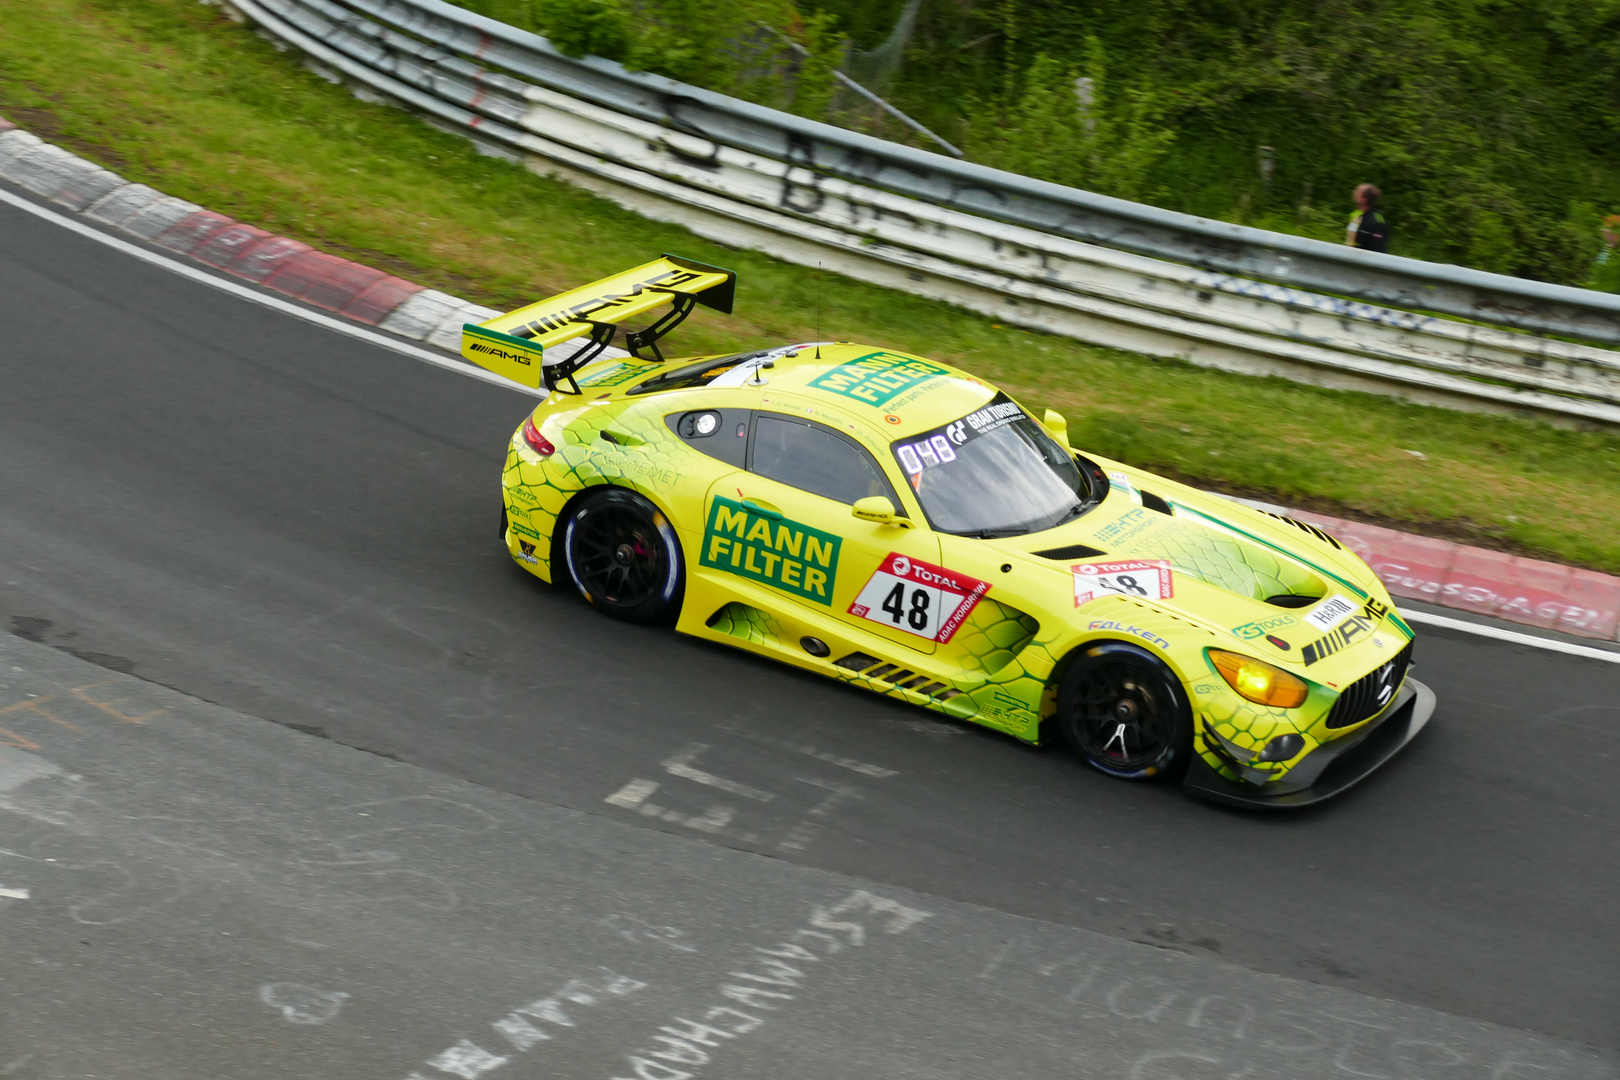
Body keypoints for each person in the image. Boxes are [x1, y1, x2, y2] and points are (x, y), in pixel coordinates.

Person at [1344, 183, 1389, 253]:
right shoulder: (1357, 215)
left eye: (1357, 191)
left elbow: (1377, 250)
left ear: (1364, 199)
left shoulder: (1377, 221)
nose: (1354, 192)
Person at [1589, 215, 1620, 293]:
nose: (1604, 230)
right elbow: (1598, 270)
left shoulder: (1615, 254)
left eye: (1608, 228)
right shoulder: (1606, 249)